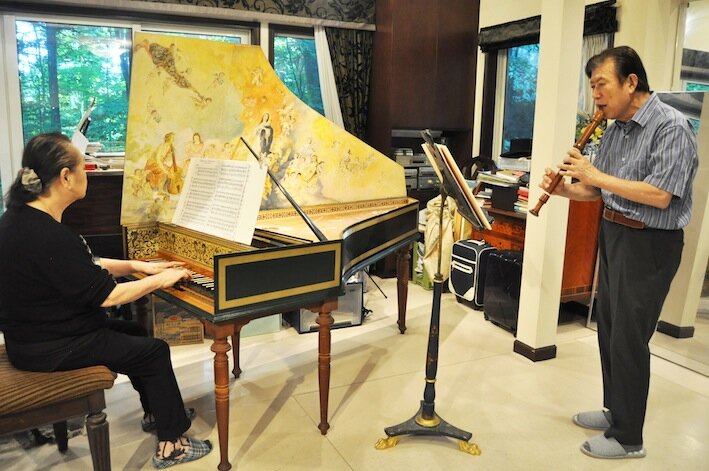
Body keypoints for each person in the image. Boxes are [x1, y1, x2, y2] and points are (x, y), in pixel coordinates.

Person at [0, 133, 212, 469]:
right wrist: (160, 279)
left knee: (135, 332)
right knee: (155, 352)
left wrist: (138, 266)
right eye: (82, 166)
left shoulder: (21, 217)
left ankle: (158, 413)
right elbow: (108, 295)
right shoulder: (48, 234)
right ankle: (172, 446)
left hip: (35, 338)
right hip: (52, 347)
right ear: (66, 177)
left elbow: (83, 265)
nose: (86, 172)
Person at [539, 46, 698, 459]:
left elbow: (660, 195)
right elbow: (597, 190)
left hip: (650, 242)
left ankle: (629, 438)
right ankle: (616, 410)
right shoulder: (617, 129)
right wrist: (565, 189)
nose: (595, 95)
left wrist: (593, 173)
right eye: (592, 87)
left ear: (631, 82)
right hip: (614, 233)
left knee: (629, 337)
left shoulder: (672, 126)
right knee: (609, 328)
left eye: (601, 85)